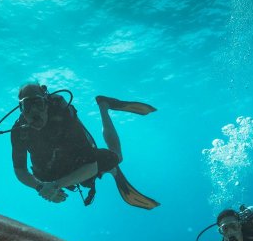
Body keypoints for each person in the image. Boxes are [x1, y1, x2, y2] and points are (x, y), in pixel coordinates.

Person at [10, 82, 160, 209]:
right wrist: (41, 187)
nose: (34, 111)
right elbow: (20, 170)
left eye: (38, 103)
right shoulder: (19, 132)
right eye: (27, 106)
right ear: (21, 110)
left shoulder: (63, 116)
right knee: (44, 176)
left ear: (47, 104)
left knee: (115, 158)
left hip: (78, 159)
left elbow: (92, 166)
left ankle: (104, 106)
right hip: (49, 172)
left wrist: (54, 187)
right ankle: (108, 171)